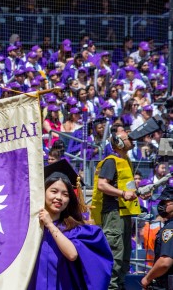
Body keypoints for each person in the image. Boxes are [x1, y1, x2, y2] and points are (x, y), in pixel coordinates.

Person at [28, 159, 113, 289]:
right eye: (54, 191)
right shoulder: (29, 229)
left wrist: (50, 225)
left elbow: (72, 254)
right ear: (43, 193)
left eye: (65, 194)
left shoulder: (76, 230)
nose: (59, 198)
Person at [91, 124, 142, 290]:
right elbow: (102, 185)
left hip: (123, 214)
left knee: (124, 259)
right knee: (116, 257)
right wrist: (122, 193)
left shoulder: (125, 162)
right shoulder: (111, 161)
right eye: (127, 137)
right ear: (118, 143)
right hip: (114, 215)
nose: (131, 139)